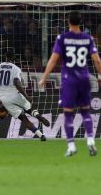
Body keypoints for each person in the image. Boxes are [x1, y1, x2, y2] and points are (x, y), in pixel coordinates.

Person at [39, 11, 100, 157]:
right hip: (84, 78)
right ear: (80, 22)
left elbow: (53, 60)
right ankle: (90, 141)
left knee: (68, 113)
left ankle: (71, 145)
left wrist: (44, 77)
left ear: (68, 22)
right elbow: (97, 60)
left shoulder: (63, 38)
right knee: (86, 111)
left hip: (69, 79)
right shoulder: (88, 38)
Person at [0, 50, 50, 141]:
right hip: (15, 94)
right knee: (29, 109)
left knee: (24, 119)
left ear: (5, 57)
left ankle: (41, 135)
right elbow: (17, 83)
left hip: (4, 99)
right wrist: (26, 96)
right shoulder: (16, 69)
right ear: (13, 58)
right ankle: (39, 117)